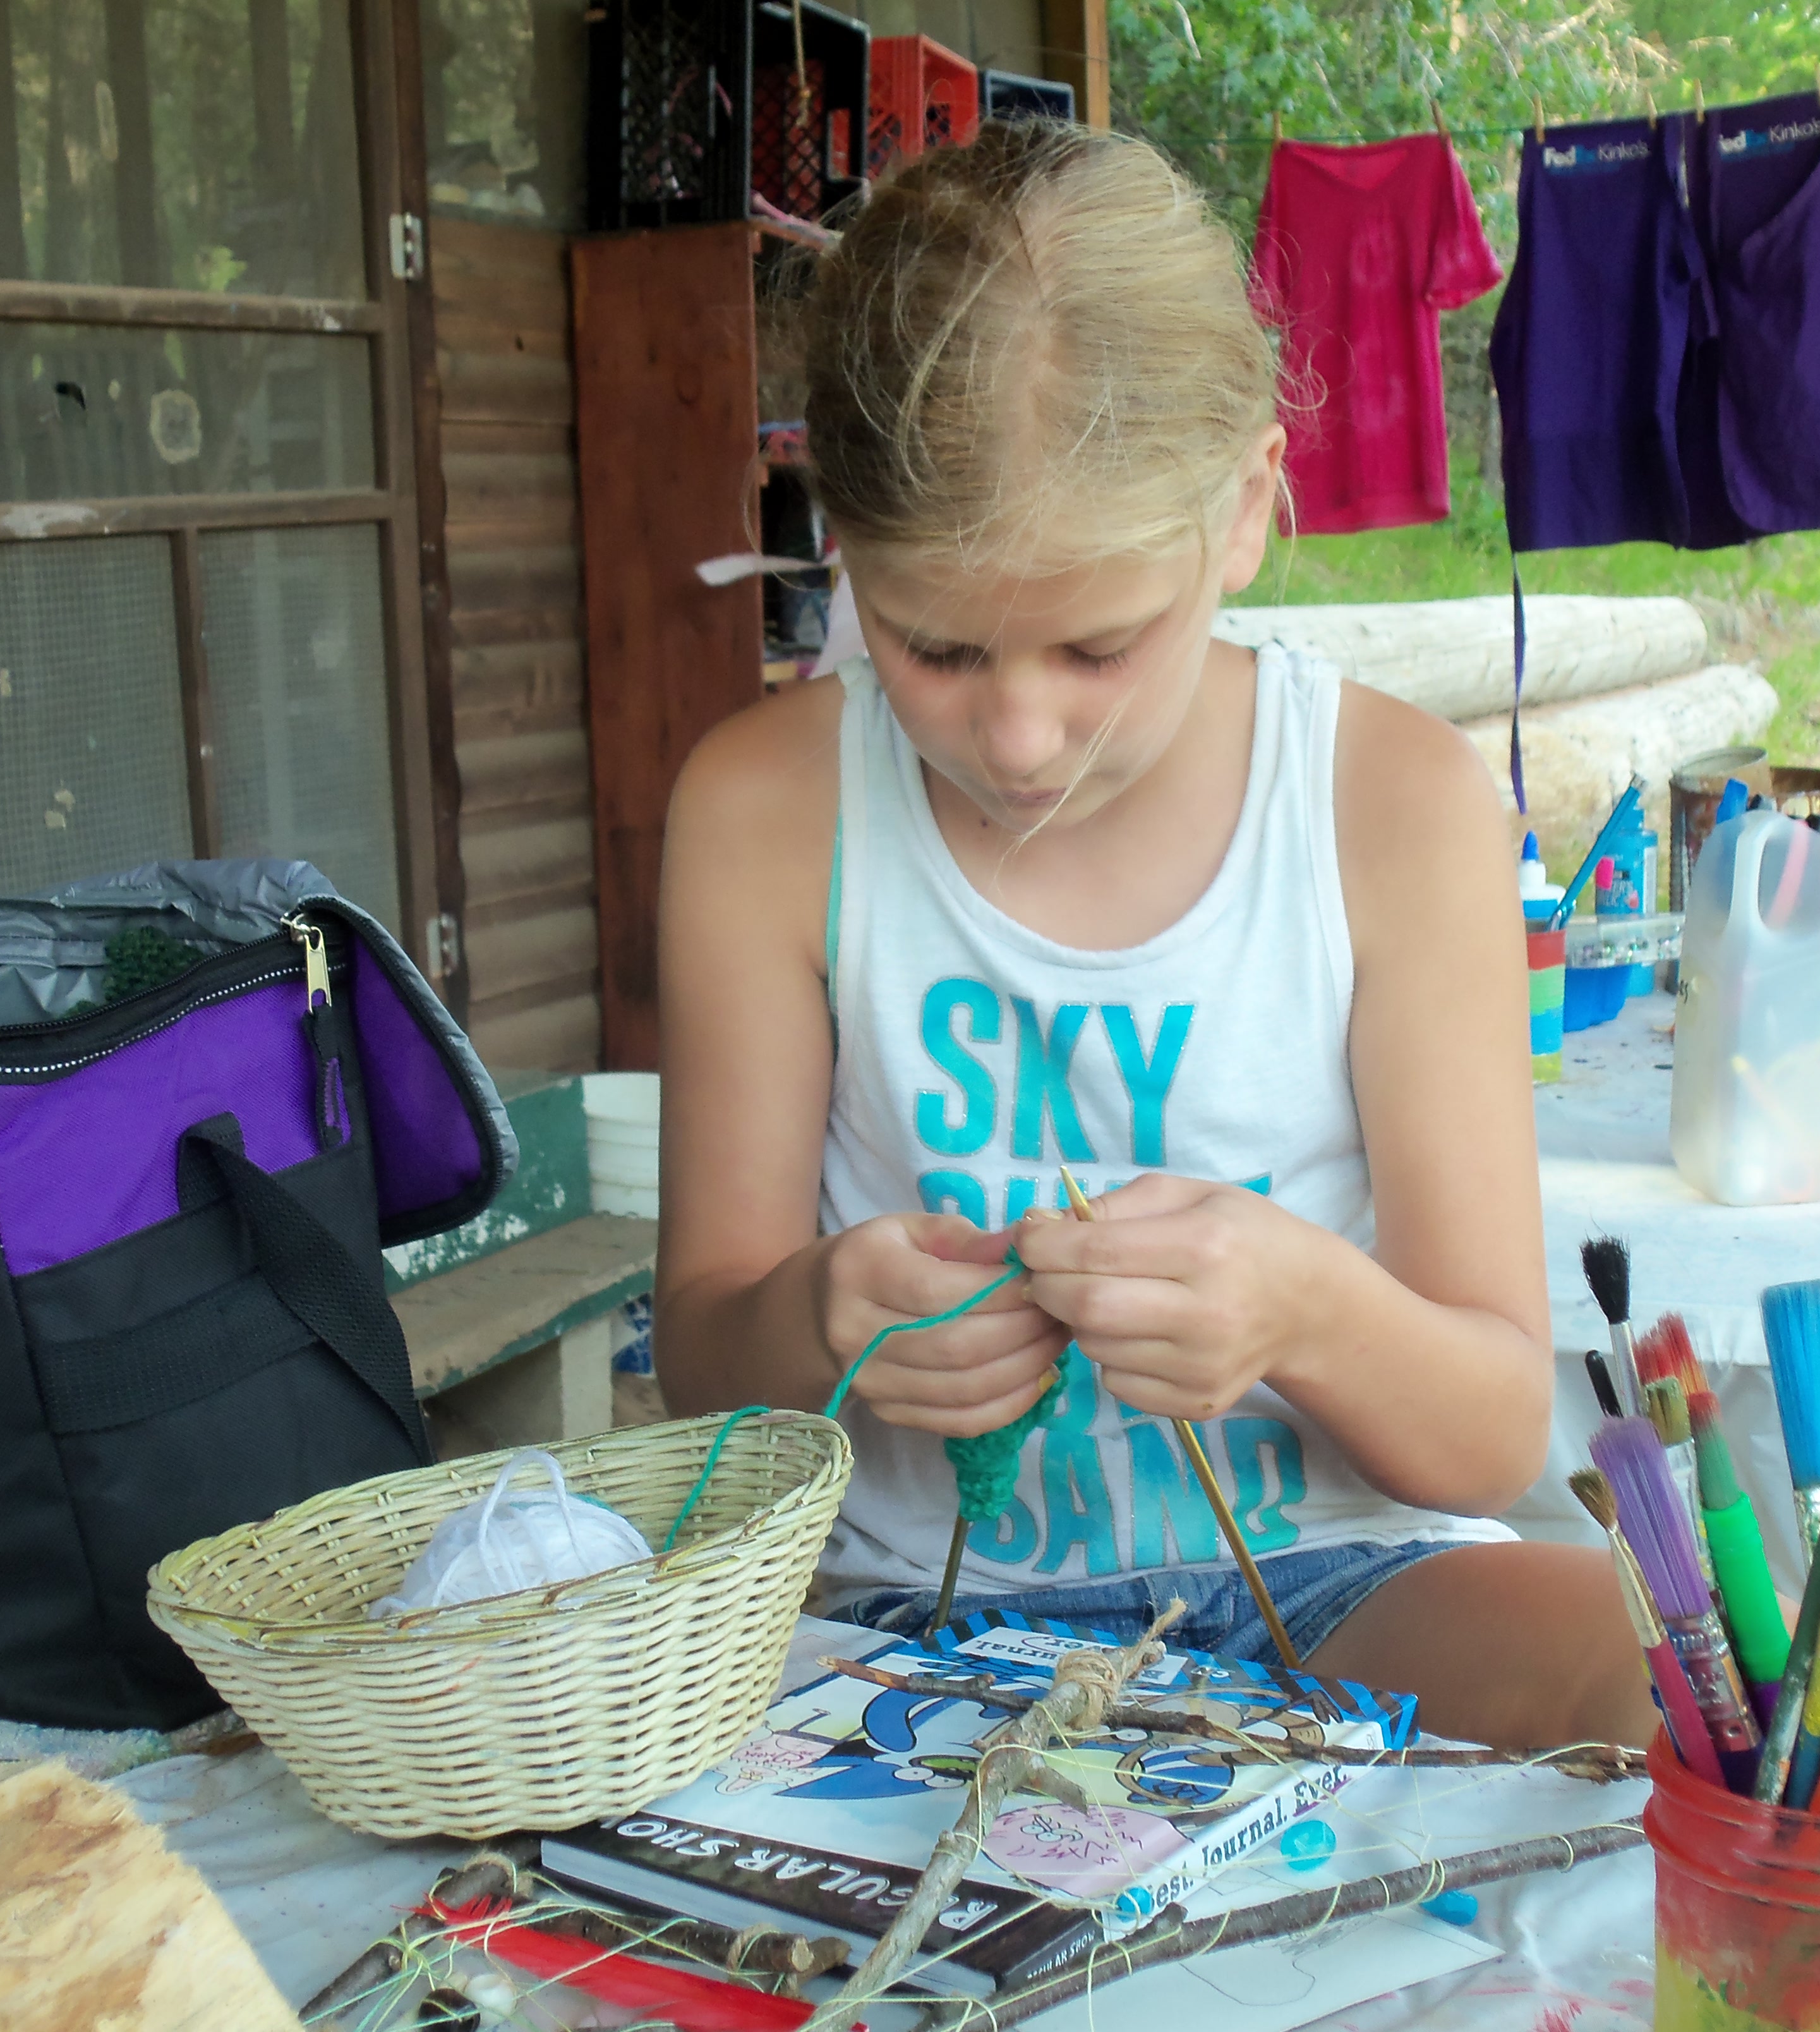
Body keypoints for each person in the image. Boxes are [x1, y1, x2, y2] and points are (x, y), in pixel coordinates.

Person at [654, 123, 1651, 1751]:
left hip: (1334, 1578)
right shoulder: (768, 812)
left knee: (1688, 1673)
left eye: (1098, 648)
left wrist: (1307, 1311)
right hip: (901, 1605)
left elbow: (1489, 1437)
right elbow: (704, 1366)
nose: (1019, 738)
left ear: (1246, 508)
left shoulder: (1389, 805)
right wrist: (821, 1314)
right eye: (935, 648)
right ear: (839, 536)